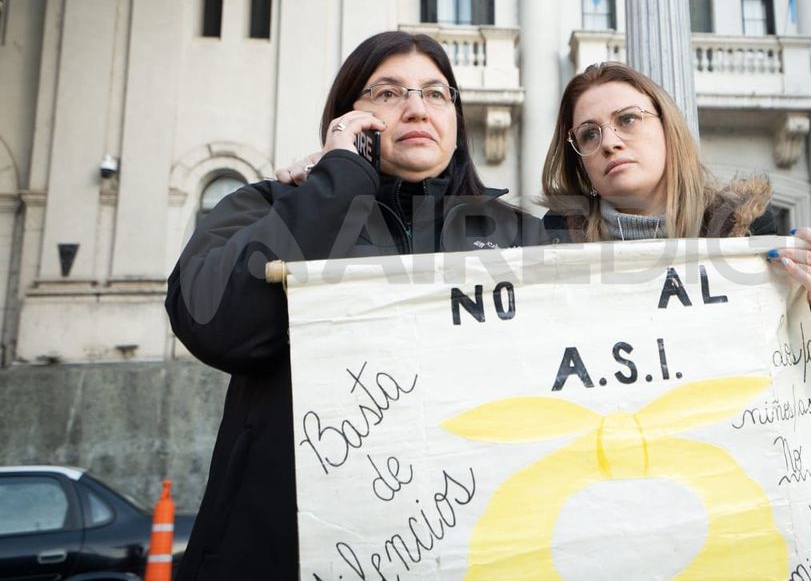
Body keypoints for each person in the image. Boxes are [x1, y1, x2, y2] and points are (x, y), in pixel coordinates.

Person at [165, 31, 546, 579]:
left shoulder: (519, 235)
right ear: (349, 117)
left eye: (437, 94)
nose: (417, 107)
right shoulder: (270, 204)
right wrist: (335, 182)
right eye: (389, 93)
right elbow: (215, 323)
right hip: (284, 552)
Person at [541, 62, 811, 423]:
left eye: (627, 119)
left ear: (668, 128)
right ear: (581, 163)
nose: (610, 142)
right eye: (589, 135)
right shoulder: (549, 246)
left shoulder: (749, 234)